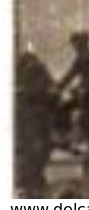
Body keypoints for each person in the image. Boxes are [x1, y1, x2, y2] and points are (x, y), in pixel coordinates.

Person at [15, 52, 56, 197]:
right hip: (31, 118)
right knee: (35, 150)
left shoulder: (36, 73)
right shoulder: (25, 75)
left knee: (38, 149)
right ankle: (31, 179)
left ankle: (32, 178)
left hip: (37, 118)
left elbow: (52, 91)